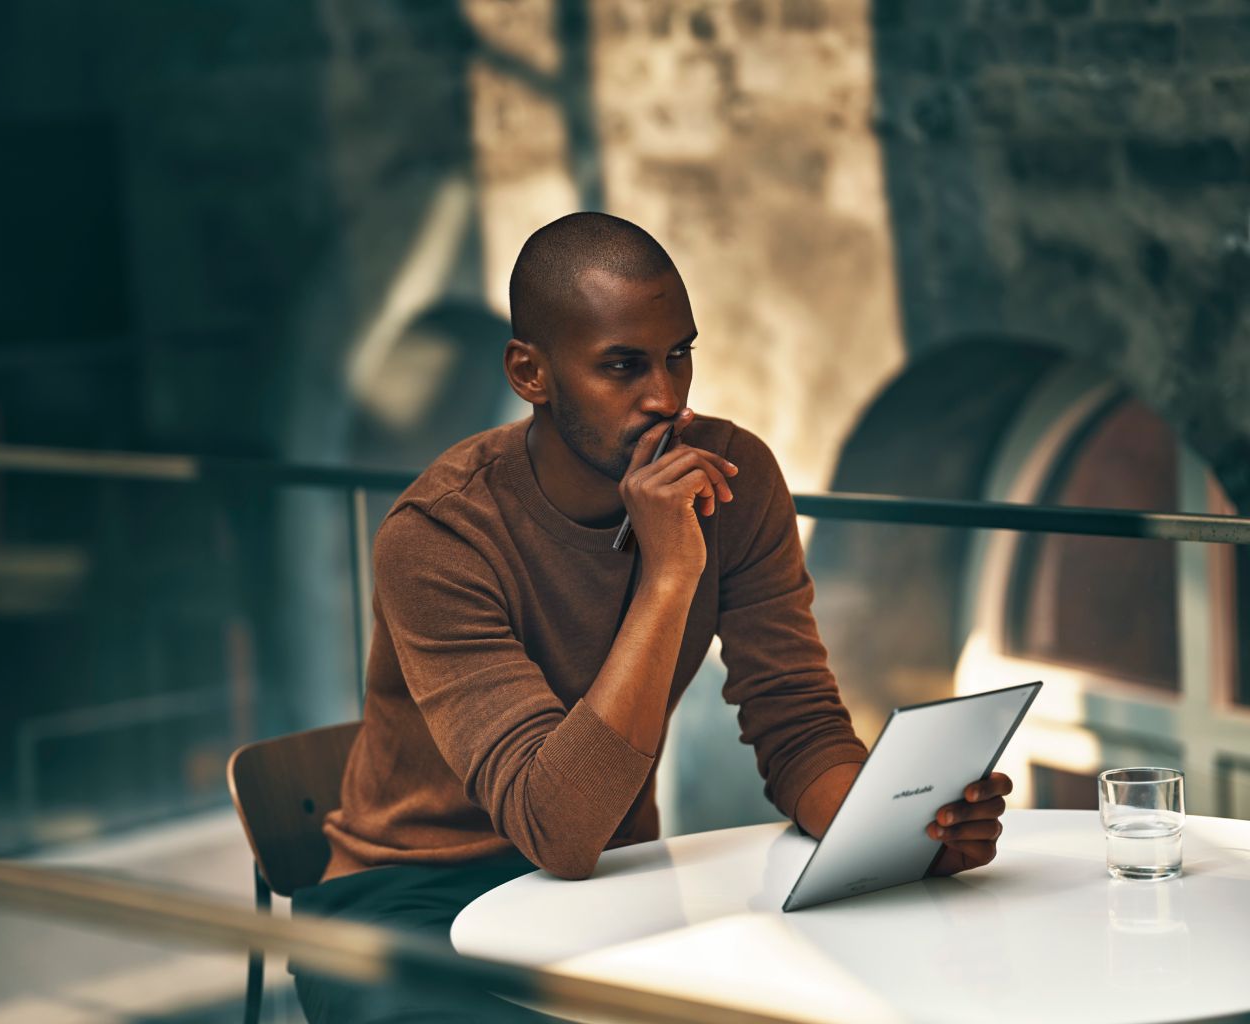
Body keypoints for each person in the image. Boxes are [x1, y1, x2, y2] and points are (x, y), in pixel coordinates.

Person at [291, 213, 1013, 1022]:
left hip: (610, 878)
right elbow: (552, 828)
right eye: (623, 367)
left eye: (680, 356)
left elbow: (797, 725)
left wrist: (895, 838)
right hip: (411, 897)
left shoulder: (735, 479)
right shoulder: (438, 536)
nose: (665, 397)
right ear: (530, 372)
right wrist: (668, 577)